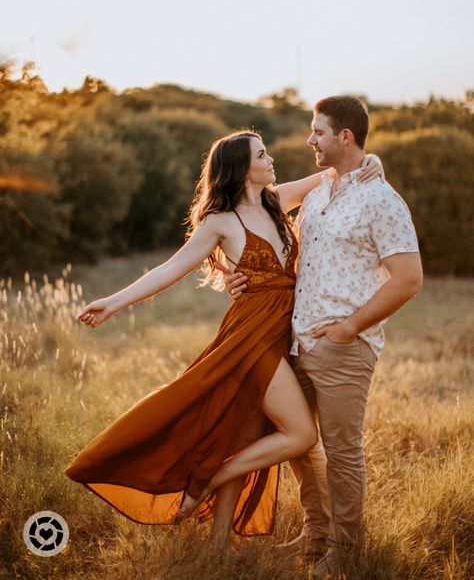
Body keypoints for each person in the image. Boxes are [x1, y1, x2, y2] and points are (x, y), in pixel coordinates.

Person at [65, 128, 382, 552]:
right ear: (240, 168)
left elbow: (334, 174)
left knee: (245, 436)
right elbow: (169, 270)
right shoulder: (220, 222)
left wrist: (372, 161)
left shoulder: (276, 201)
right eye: (262, 155)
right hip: (250, 339)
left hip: (287, 334)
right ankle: (206, 478)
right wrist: (113, 302)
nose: (271, 160)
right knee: (302, 436)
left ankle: (217, 548)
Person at [224, 97, 423, 577]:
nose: (310, 140)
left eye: (318, 132)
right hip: (295, 339)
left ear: (345, 137)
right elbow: (265, 231)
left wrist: (351, 327)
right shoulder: (317, 193)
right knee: (299, 442)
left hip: (344, 346)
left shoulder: (381, 199)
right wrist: (236, 275)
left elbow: (408, 277)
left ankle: (346, 548)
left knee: (342, 450)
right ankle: (316, 533)